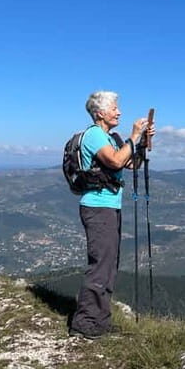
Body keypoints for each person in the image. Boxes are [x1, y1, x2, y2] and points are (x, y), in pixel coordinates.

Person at [69, 90, 154, 339]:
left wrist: (142, 143)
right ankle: (85, 324)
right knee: (101, 265)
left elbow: (132, 163)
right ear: (100, 113)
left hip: (108, 206)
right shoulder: (95, 136)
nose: (119, 112)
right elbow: (116, 162)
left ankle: (100, 321)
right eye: (114, 108)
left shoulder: (110, 137)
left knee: (108, 265)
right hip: (97, 207)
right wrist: (134, 135)